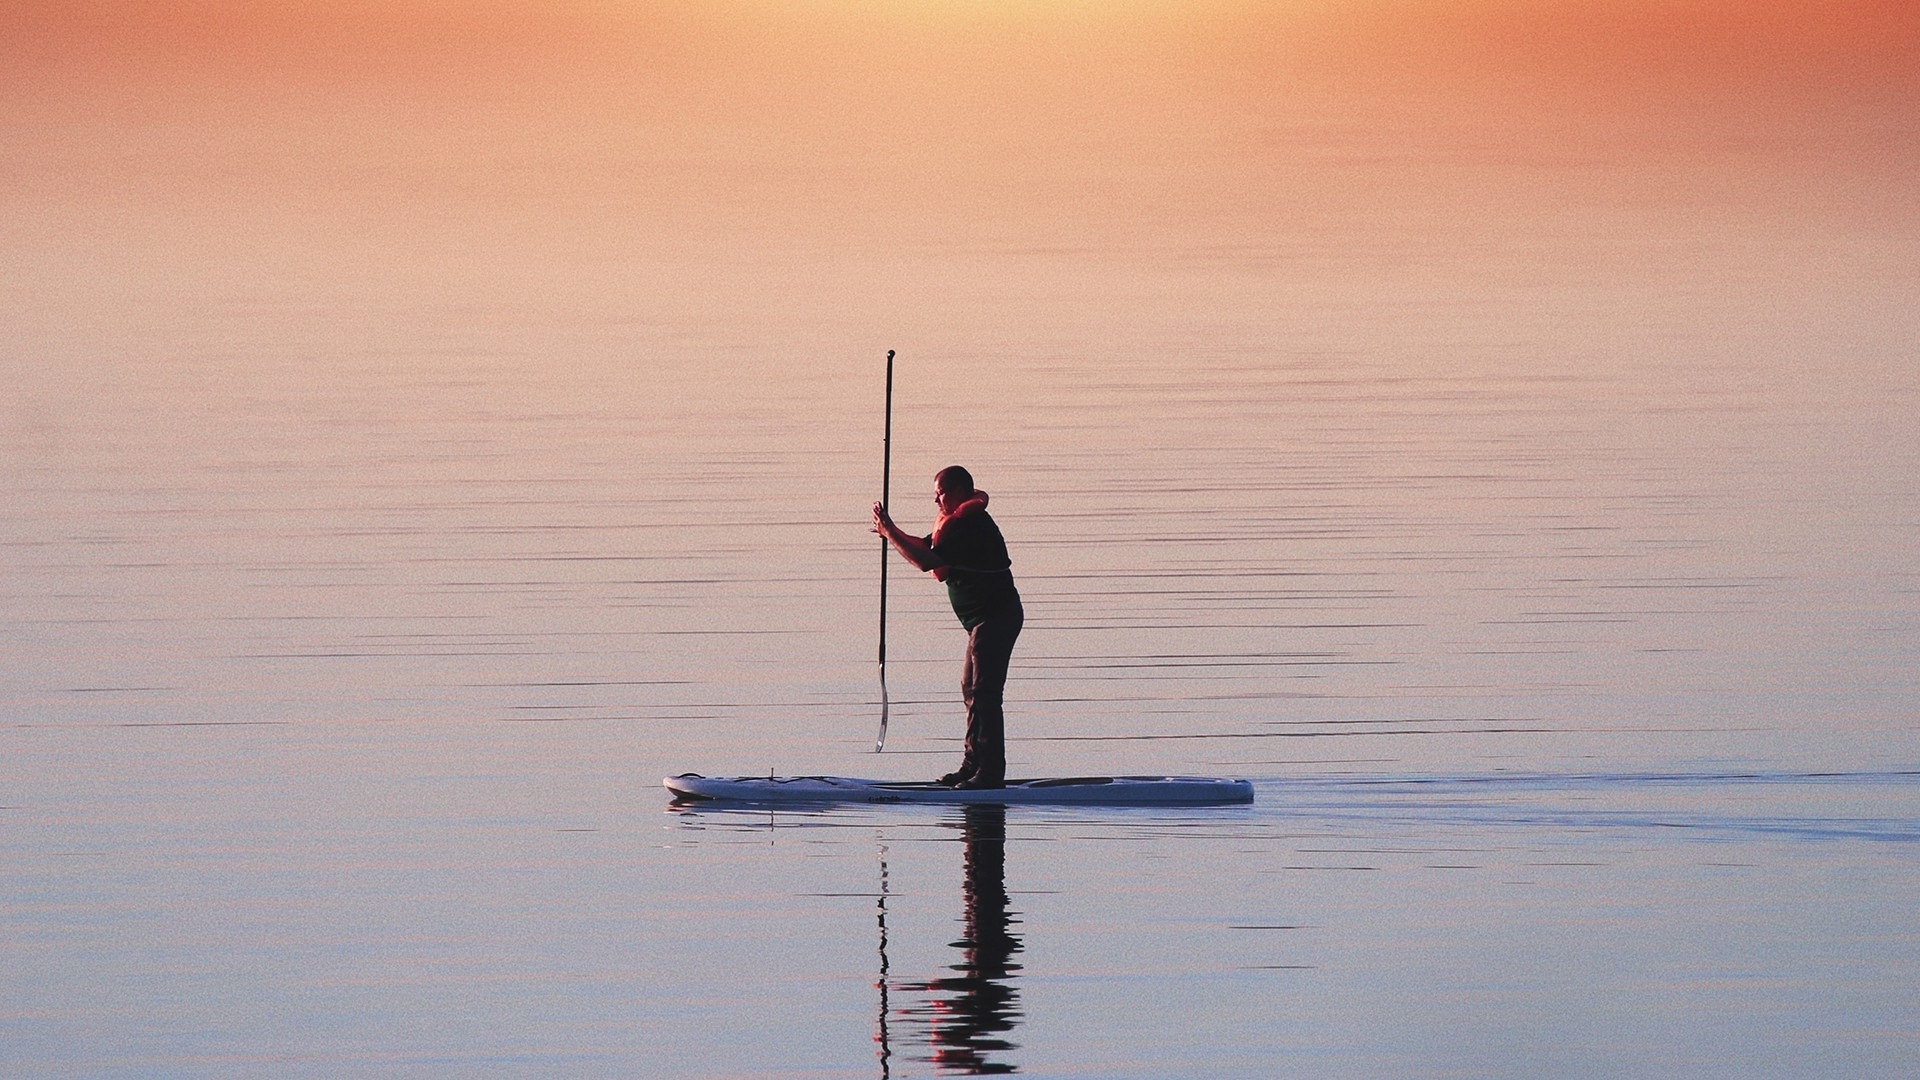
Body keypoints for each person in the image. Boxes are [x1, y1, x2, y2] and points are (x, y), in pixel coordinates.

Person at [872, 465, 1023, 789]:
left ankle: (990, 774)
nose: (935, 499)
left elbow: (927, 561)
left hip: (996, 617)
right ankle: (972, 765)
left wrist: (891, 532)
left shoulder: (969, 525)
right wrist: (891, 531)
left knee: (984, 693)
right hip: (982, 622)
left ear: (957, 492)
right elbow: (926, 547)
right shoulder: (955, 525)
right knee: (970, 690)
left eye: (939, 492)